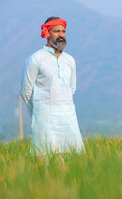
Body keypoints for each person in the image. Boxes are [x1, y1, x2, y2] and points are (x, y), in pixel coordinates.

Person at [20, 16, 85, 155]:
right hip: (44, 119)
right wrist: (38, 112)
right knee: (45, 159)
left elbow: (71, 89)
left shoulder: (70, 60)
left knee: (73, 159)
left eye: (63, 31)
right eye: (57, 31)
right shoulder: (35, 59)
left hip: (68, 118)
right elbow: (25, 92)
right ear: (47, 33)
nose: (61, 35)